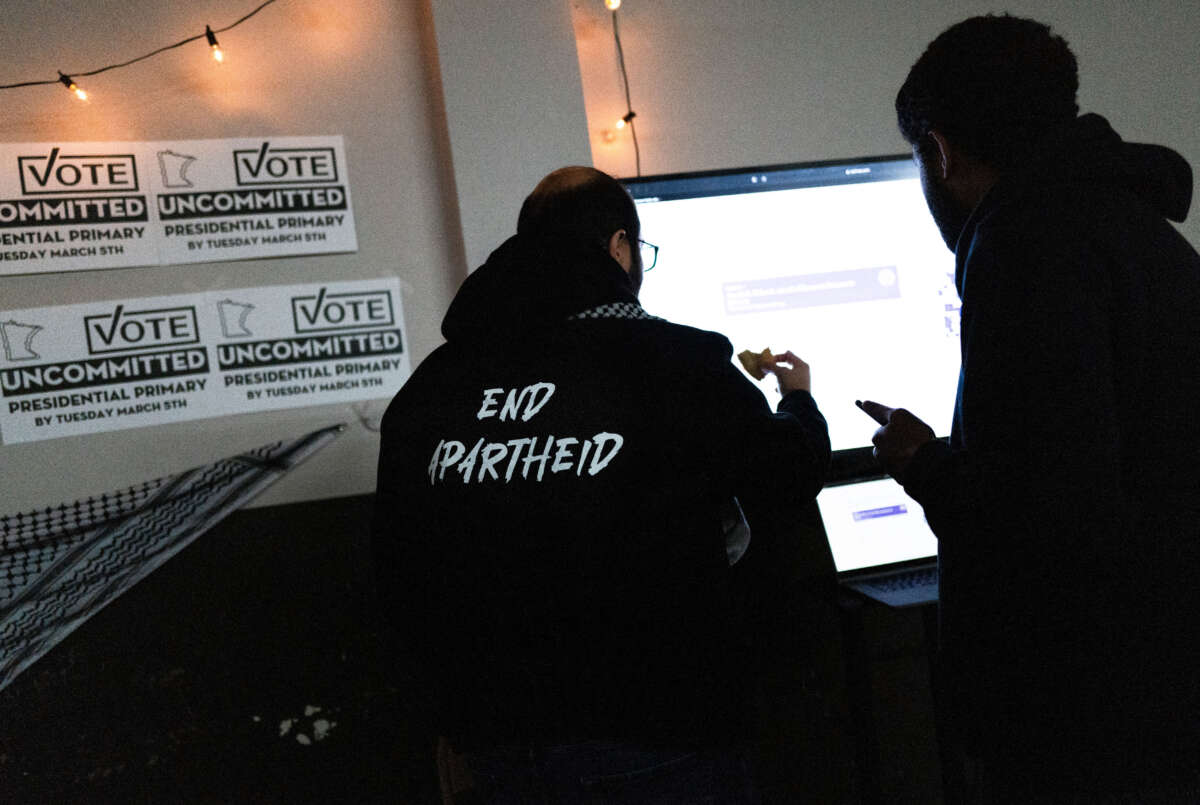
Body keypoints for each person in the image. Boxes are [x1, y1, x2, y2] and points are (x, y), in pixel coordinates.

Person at [372, 166, 832, 803]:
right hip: (656, 737)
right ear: (619, 247)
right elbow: (785, 474)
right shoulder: (675, 363)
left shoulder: (434, 385)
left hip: (489, 748)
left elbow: (396, 565)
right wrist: (799, 404)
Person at [863, 14, 1200, 802]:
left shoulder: (1021, 245)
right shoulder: (1137, 226)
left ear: (939, 151)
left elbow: (1046, 517)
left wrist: (926, 465)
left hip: (1085, 714)